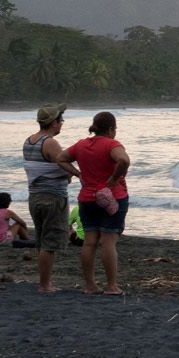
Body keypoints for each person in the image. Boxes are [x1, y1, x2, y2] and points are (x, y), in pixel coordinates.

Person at [64, 111, 130, 295]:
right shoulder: (111, 144)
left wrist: (78, 174)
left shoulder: (81, 145)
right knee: (108, 241)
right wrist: (113, 180)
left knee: (90, 241)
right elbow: (124, 160)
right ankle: (111, 286)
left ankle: (90, 285)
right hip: (112, 197)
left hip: (87, 198)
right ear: (111, 129)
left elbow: (61, 158)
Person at [24, 103, 80, 293]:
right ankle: (44, 285)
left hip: (35, 197)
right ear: (53, 123)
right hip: (53, 197)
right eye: (60, 120)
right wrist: (79, 174)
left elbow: (39, 167)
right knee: (50, 243)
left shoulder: (29, 141)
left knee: (41, 240)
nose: (62, 124)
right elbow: (62, 163)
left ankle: (43, 282)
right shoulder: (50, 143)